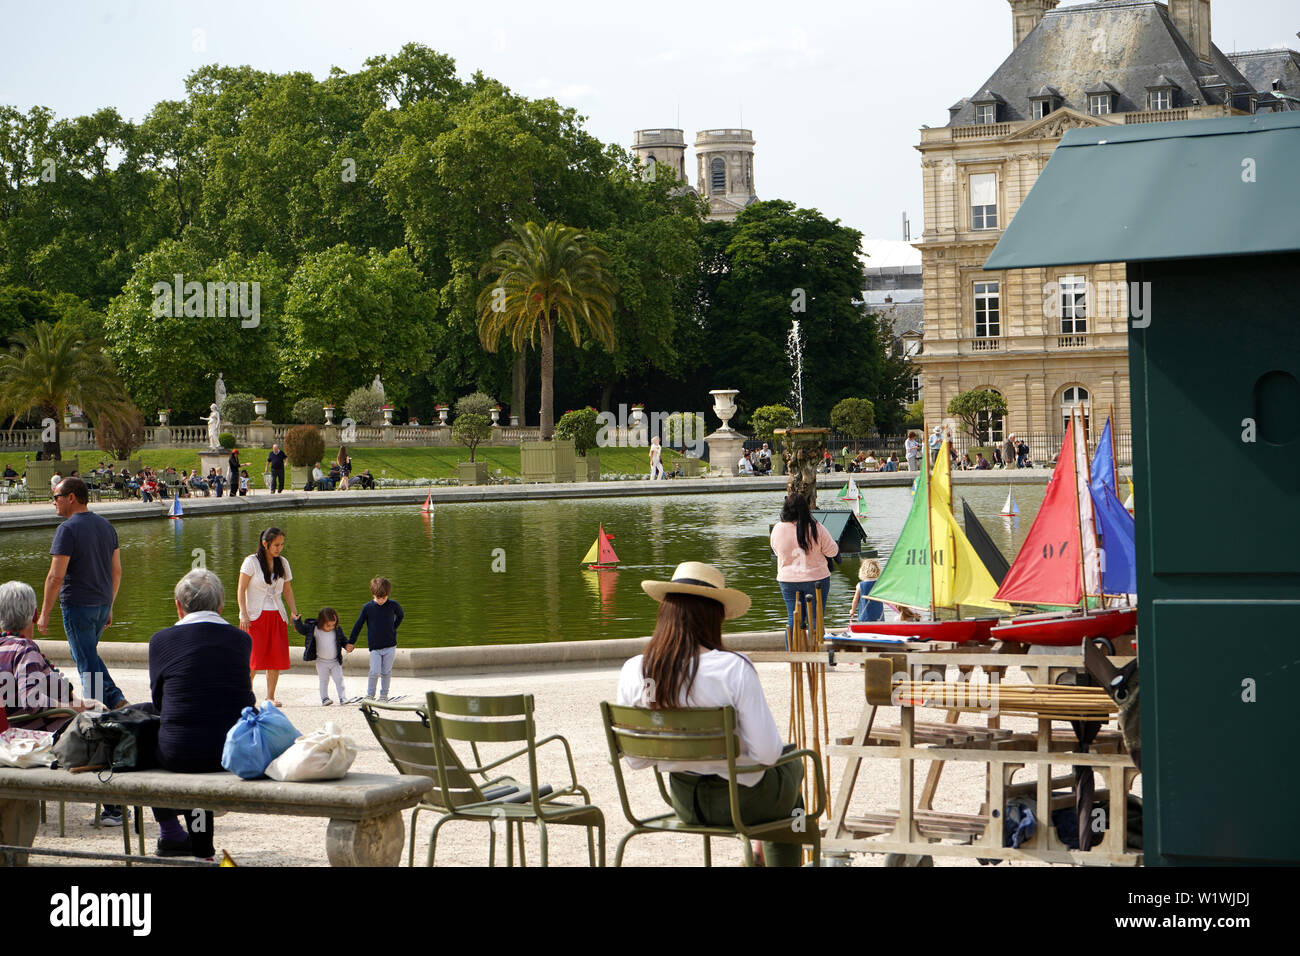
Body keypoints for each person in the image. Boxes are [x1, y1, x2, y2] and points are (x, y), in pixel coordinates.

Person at [616, 561, 804, 867]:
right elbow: (768, 755)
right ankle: (763, 856)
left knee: (783, 768)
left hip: (686, 803)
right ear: (715, 616)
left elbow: (637, 760)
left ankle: (756, 855)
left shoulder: (635, 670)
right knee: (793, 764)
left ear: (665, 612)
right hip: (743, 805)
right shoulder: (733, 668)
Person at [148, 569, 255, 859]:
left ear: (178, 606)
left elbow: (159, 702)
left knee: (152, 727)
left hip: (181, 753)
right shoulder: (241, 640)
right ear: (221, 607)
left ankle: (170, 831)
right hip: (234, 749)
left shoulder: (161, 640)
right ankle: (199, 850)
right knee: (205, 728)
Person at [38, 478, 126, 711]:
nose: (53, 502)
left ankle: (95, 714)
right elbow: (116, 571)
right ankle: (116, 700)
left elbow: (55, 577)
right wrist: (110, 605)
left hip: (78, 605)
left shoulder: (67, 530)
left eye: (56, 497)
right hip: (101, 605)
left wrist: (45, 612)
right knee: (88, 655)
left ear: (71, 498)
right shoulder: (107, 526)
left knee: (86, 662)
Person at [1, 580, 105, 731]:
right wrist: (72, 708)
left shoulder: (5, 647)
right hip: (41, 736)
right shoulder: (23, 649)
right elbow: (32, 700)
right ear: (35, 615)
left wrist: (79, 703)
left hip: (12, 732)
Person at [237, 527, 298, 706]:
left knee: (275, 657)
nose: (279, 548)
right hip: (255, 616)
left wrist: (293, 612)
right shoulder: (251, 562)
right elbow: (241, 589)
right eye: (276, 545)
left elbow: (287, 589)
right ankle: (246, 695)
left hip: (277, 615)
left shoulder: (283, 563)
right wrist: (243, 614)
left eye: (282, 545)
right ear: (265, 544)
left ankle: (270, 696)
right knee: (252, 658)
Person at [769, 493, 838, 638]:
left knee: (793, 617)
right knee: (815, 618)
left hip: (788, 580)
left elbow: (776, 551)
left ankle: (793, 654)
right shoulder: (815, 527)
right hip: (816, 578)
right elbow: (832, 551)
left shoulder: (778, 528)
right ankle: (817, 653)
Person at [348, 577, 403, 701]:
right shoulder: (367, 608)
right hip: (375, 647)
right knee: (374, 671)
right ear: (373, 594)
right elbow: (358, 624)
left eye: (384, 597)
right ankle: (370, 695)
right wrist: (351, 642)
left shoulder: (393, 605)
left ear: (387, 594)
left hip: (390, 646)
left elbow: (401, 615)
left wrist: (393, 628)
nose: (381, 600)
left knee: (386, 672)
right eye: (378, 598)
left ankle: (384, 695)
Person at [293, 607, 349, 705]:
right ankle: (325, 698)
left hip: (335, 661)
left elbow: (343, 640)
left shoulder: (337, 630)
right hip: (321, 661)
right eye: (328, 625)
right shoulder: (314, 629)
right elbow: (302, 630)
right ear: (321, 622)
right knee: (323, 680)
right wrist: (297, 621)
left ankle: (343, 698)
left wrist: (347, 645)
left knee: (339, 679)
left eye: (333, 625)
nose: (331, 627)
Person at [848, 559, 884, 624]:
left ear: (862, 571)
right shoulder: (880, 584)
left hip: (864, 618)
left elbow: (855, 601)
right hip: (879, 617)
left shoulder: (860, 585)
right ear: (878, 570)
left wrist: (852, 610)